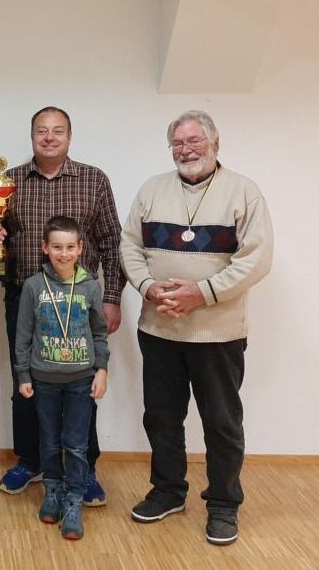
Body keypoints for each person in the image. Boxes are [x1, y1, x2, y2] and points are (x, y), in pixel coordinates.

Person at [120, 110, 273, 545]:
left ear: (215, 143)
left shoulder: (244, 192)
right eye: (178, 143)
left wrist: (201, 293)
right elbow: (129, 245)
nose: (185, 150)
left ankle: (223, 504)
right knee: (162, 417)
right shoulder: (152, 190)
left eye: (194, 141)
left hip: (217, 333)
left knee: (221, 422)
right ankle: (168, 491)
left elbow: (255, 259)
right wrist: (148, 287)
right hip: (159, 328)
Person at [0, 106, 124, 505]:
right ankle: (30, 461)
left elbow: (112, 243)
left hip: (79, 305)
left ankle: (84, 468)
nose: (49, 137)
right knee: (25, 382)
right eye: (41, 131)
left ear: (69, 137)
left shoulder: (94, 180)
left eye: (57, 131)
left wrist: (111, 298)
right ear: (31, 137)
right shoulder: (9, 182)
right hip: (26, 302)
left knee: (82, 386)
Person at [15, 216, 109, 540]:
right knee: (49, 441)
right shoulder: (33, 286)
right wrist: (23, 374)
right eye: (57, 247)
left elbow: (99, 332)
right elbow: (23, 336)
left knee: (77, 444)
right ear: (45, 248)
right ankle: (52, 491)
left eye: (70, 247)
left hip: (81, 379)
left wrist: (102, 370)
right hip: (44, 379)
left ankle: (74, 500)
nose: (64, 253)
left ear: (81, 248)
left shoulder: (90, 286)